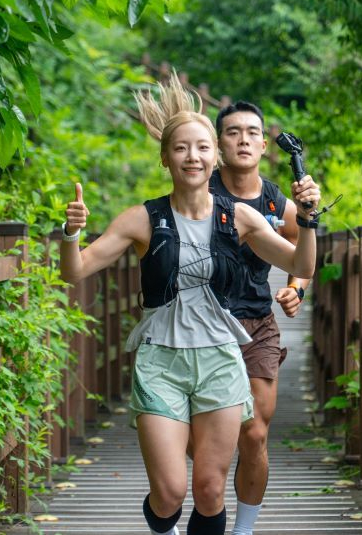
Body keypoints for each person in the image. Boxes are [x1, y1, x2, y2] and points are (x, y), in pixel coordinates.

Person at [59, 75, 320, 535]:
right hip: (161, 360)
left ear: (213, 156)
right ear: (166, 158)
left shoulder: (240, 215)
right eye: (181, 149)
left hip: (222, 357)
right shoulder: (143, 218)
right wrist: (71, 233)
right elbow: (75, 271)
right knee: (170, 493)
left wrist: (311, 221)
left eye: (201, 148)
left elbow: (301, 262)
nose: (193, 157)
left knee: (208, 490)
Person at [209, 101, 310, 535]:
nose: (243, 139)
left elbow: (301, 249)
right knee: (205, 444)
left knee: (254, 434)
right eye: (233, 132)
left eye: (252, 132)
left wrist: (296, 288)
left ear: (265, 145)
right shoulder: (201, 190)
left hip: (256, 324)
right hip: (202, 325)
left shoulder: (276, 200)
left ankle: (244, 530)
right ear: (218, 145)